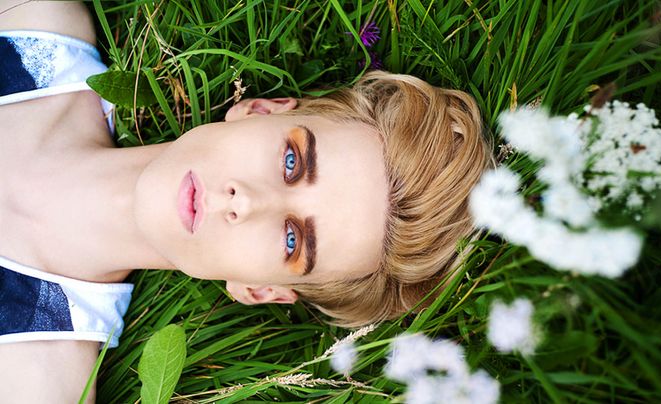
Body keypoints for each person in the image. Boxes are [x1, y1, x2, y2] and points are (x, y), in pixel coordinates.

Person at [0, 1, 492, 401]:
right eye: (292, 163)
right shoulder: (33, 28)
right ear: (260, 110)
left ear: (261, 290)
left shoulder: (36, 382)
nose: (249, 202)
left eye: (293, 239)